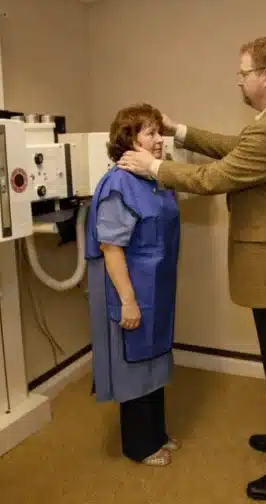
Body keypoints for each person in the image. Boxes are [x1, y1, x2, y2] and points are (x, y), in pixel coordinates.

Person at [117, 37, 266, 500]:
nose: (240, 82)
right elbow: (235, 147)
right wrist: (180, 131)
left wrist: (154, 167)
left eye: (243, 74)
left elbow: (214, 177)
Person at [85, 103, 182, 467]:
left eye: (159, 132)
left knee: (155, 363)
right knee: (135, 367)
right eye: (150, 133)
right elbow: (111, 248)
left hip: (156, 287)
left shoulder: (154, 179)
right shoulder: (119, 183)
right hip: (130, 287)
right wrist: (127, 300)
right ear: (129, 139)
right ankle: (139, 445)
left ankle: (156, 432)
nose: (159, 140)